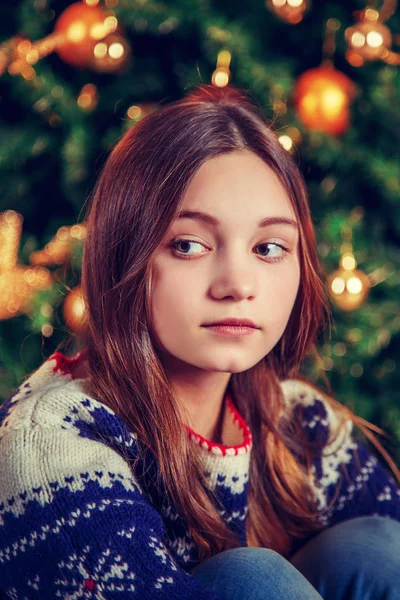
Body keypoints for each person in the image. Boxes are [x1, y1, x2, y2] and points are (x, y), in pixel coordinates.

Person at [0, 84, 399, 600]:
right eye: (188, 245)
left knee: (374, 548)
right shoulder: (51, 446)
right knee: (252, 579)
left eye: (268, 247)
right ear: (127, 256)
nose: (237, 283)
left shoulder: (298, 424)